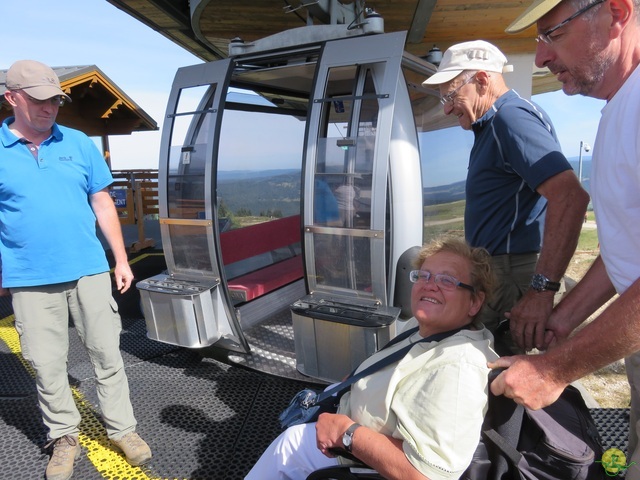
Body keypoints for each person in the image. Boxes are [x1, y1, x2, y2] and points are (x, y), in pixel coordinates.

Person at [489, 0, 640, 478]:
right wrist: (566, 317)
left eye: (553, 34)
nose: (539, 58)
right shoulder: (620, 106)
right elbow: (629, 245)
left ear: (616, 12)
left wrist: (554, 370)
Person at [0, 60, 151, 480]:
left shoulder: (80, 143)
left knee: (107, 354)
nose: (50, 108)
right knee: (47, 365)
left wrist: (120, 259)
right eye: (39, 100)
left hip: (88, 269)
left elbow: (102, 202)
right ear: (12, 98)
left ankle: (124, 430)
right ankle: (64, 437)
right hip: (29, 277)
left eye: (56, 100)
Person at [245, 237, 498, 480]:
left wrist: (346, 434)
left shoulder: (457, 367)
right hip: (351, 418)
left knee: (289, 447)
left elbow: (427, 475)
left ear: (475, 302)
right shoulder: (424, 327)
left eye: (447, 280)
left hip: (360, 458)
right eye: (424, 275)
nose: (430, 284)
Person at [422, 40, 589, 352]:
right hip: (498, 272)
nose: (446, 107)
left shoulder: (510, 119)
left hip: (510, 276)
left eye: (450, 94)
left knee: (503, 372)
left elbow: (569, 197)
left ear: (483, 80)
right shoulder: (493, 123)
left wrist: (542, 289)